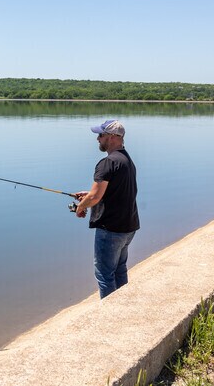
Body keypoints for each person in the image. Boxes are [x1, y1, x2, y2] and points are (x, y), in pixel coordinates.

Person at [74, 119, 140, 299]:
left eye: (100, 135)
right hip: (129, 226)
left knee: (104, 274)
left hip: (111, 229)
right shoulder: (126, 160)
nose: (97, 139)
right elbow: (112, 191)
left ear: (112, 137)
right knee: (119, 270)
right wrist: (88, 196)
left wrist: (81, 206)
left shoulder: (107, 163)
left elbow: (95, 197)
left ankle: (110, 314)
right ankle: (122, 306)